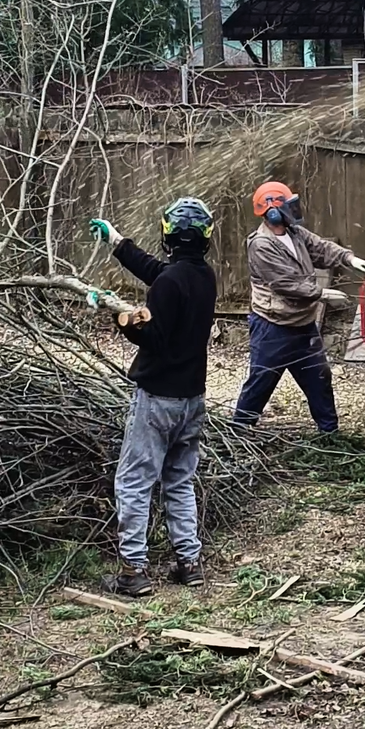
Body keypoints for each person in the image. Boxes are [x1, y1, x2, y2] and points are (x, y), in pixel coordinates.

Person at [89, 198, 217, 596]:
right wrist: (117, 242)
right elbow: (161, 275)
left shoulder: (170, 282)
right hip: (192, 399)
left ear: (167, 235)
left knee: (134, 481)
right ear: (205, 238)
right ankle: (189, 563)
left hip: (158, 399)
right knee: (179, 481)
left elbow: (154, 339)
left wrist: (120, 316)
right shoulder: (204, 276)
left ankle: (133, 571)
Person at [234, 181, 365, 432]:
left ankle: (329, 433)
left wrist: (349, 258)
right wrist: (322, 294)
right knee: (261, 382)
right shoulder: (261, 244)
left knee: (319, 378)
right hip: (273, 327)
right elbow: (285, 283)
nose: (294, 209)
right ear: (273, 211)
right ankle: (239, 431)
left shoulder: (295, 233)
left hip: (303, 324)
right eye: (288, 205)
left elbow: (321, 247)